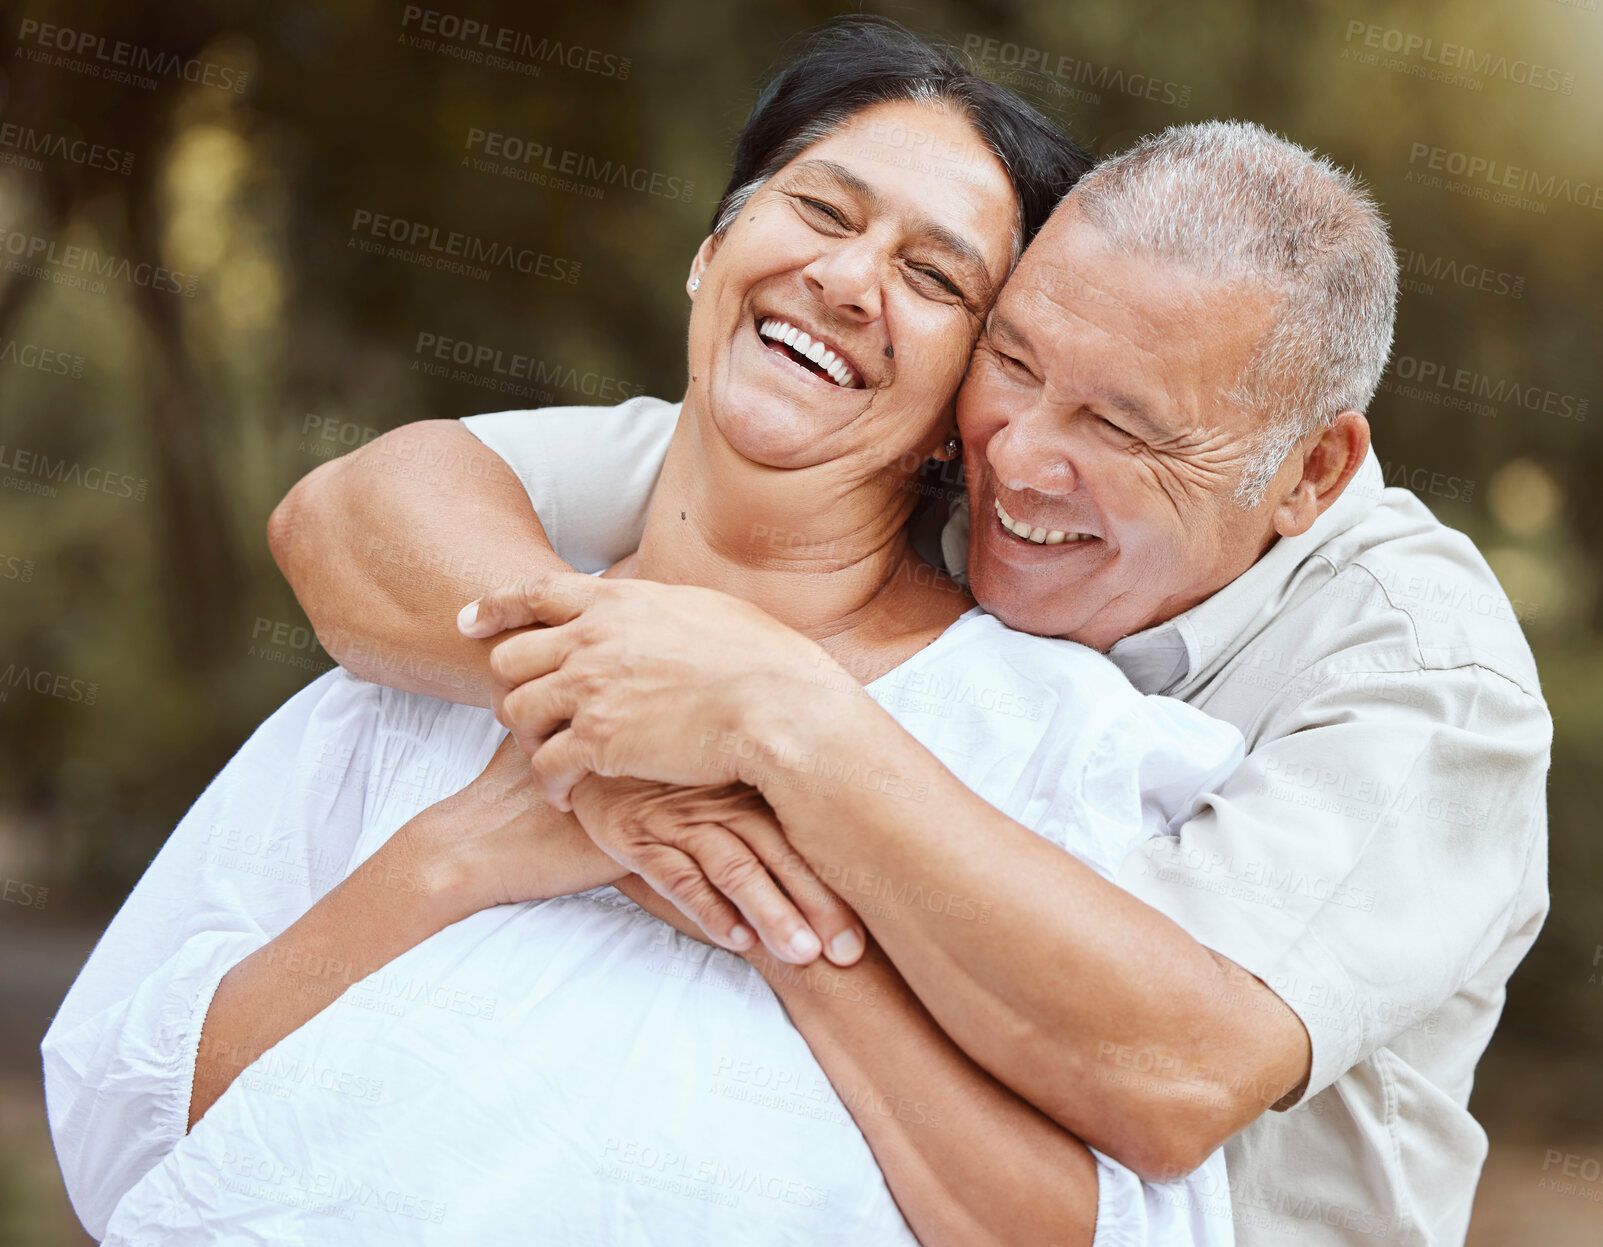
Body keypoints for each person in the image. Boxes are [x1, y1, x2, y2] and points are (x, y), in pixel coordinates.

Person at [44, 23, 1246, 1246]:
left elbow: (1109, 1227)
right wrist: (457, 853)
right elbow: (121, 1132)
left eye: (935, 279)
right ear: (711, 250)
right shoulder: (423, 670)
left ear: (965, 408)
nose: (847, 279)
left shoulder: (1053, 748)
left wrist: (781, 914)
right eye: (823, 210)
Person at [275, 120, 1552, 1244]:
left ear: (1311, 475)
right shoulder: (934, 448)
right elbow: (363, 507)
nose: (1019, 461)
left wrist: (779, 719)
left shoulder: (1423, 677)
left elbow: (1169, 1072)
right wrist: (594, 711)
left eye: (1121, 428)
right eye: (1015, 360)